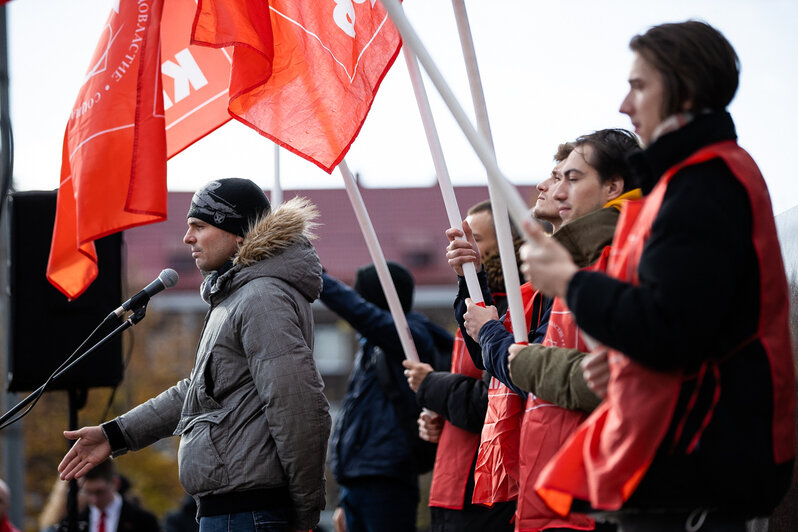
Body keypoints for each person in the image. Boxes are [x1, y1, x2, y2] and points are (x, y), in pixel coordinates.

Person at [524, 21, 795, 531]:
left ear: (685, 88)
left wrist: (570, 282)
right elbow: (679, 324)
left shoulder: (705, 183)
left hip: (695, 465)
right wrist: (624, 360)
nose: (625, 104)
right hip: (678, 464)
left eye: (640, 85)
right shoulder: (684, 181)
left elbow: (668, 329)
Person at [58, 178, 332, 532]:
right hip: (230, 511)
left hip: (249, 514)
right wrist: (115, 435)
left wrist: (304, 513)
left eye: (199, 227)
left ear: (239, 234)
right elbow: (196, 393)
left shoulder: (262, 297)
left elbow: (298, 406)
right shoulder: (236, 297)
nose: (188, 238)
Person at [463, 130, 640, 531]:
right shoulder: (565, 267)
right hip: (555, 476)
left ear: (613, 187)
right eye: (557, 176)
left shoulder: (617, 260)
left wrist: (495, 339)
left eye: (569, 178)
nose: (550, 187)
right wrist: (468, 280)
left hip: (594, 484)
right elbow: (496, 358)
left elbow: (524, 366)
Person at [402, 200, 520, 531]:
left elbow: (491, 400)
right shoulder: (476, 304)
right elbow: (466, 386)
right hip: (453, 485)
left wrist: (430, 385)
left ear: (509, 245)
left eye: (477, 239)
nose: (463, 249)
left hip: (486, 491)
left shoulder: (516, 308)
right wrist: (437, 416)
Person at [321, 262, 452, 532]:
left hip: (387, 481)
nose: (358, 301)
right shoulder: (372, 348)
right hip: (357, 484)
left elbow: (359, 313)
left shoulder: (408, 339)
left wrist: (315, 275)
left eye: (362, 295)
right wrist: (346, 498)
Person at [77, 459, 160, 532]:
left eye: (100, 492)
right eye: (88, 492)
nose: (94, 500)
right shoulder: (75, 522)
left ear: (115, 483)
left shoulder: (144, 521)